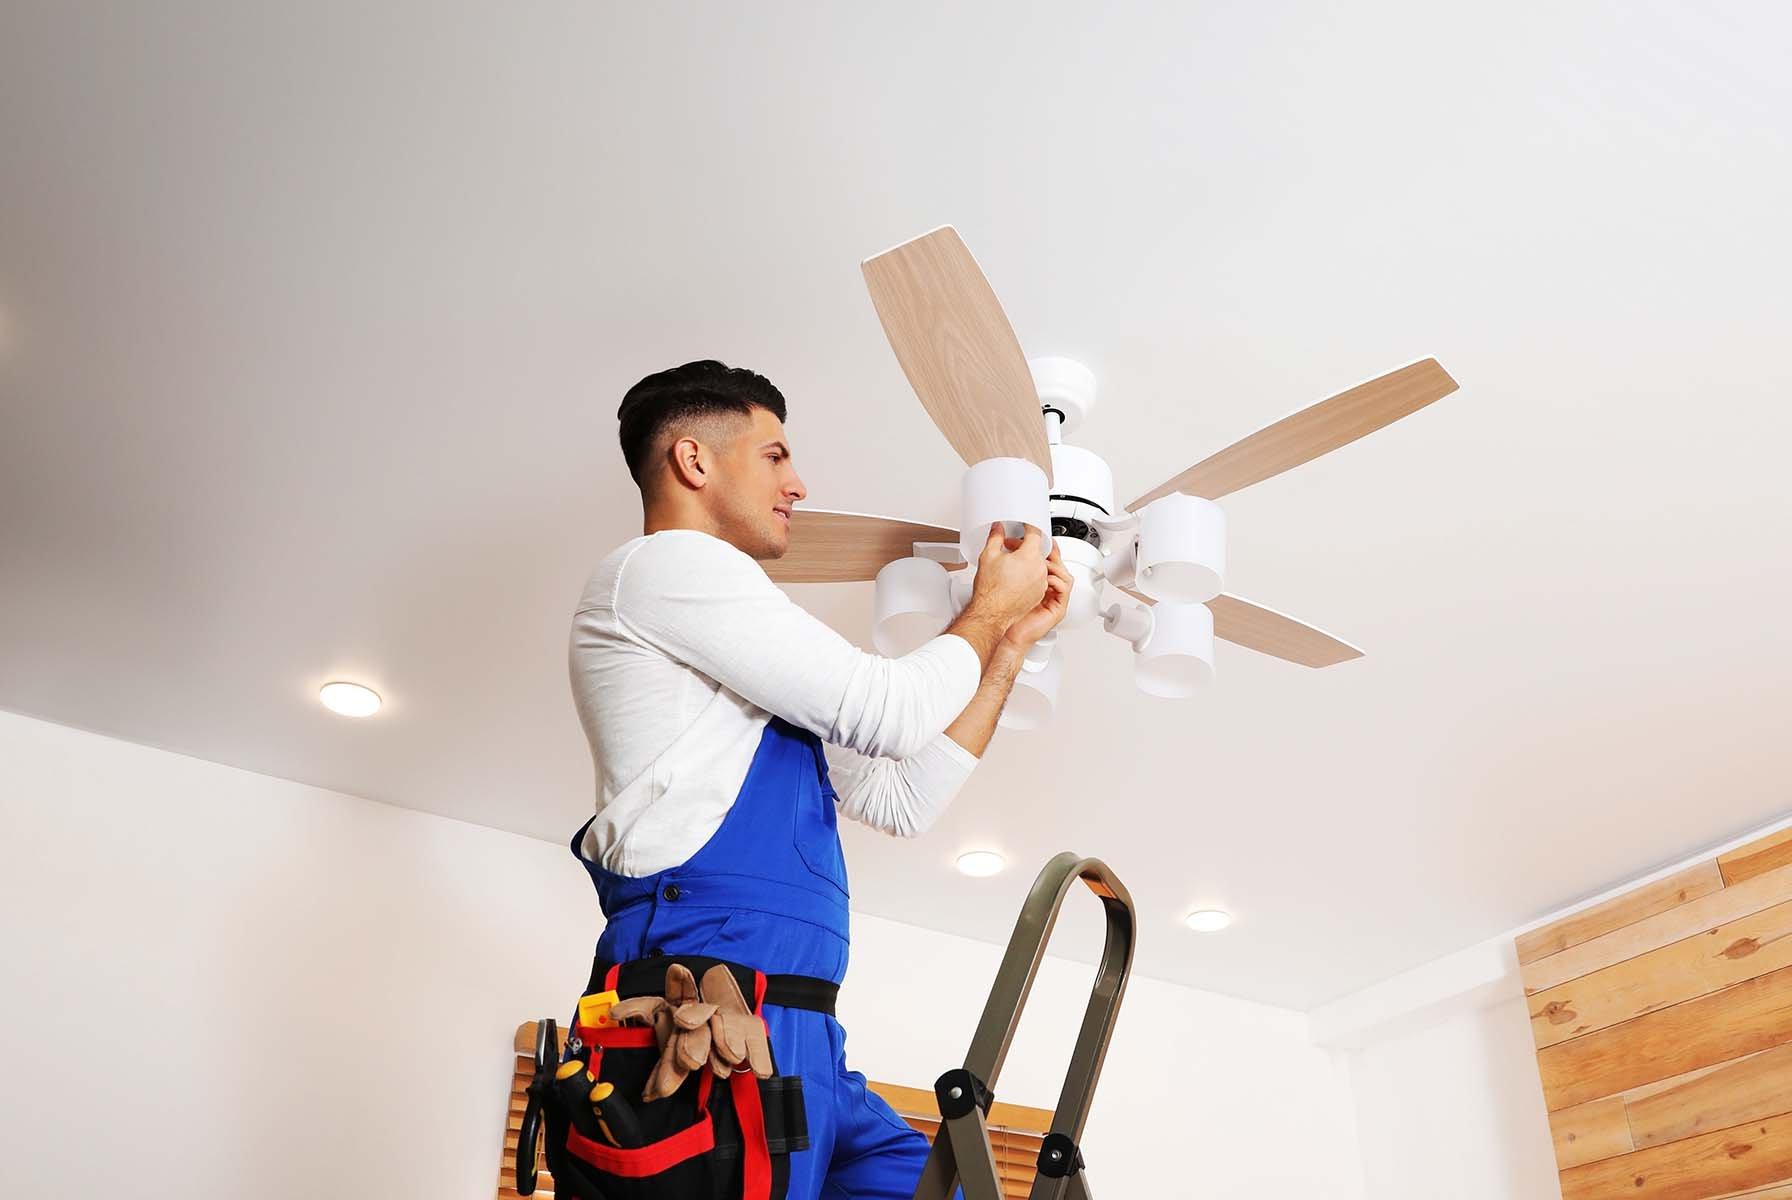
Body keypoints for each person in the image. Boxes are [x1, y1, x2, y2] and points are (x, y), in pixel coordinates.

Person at [568, 358, 1070, 1198]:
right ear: (694, 461)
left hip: (804, 1033)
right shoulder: (659, 570)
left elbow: (898, 797)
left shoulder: (740, 646)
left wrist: (1007, 648)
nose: (798, 484)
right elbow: (887, 708)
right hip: (710, 1021)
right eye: (775, 456)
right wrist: (982, 610)